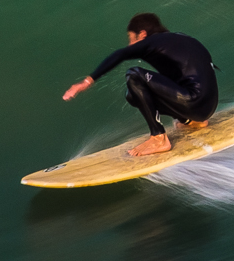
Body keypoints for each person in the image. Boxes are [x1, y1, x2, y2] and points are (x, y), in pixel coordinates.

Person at [62, 13, 219, 156]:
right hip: (207, 107)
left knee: (134, 75)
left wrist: (87, 81)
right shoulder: (182, 40)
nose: (131, 45)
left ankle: (159, 137)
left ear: (142, 34)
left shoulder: (152, 41)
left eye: (132, 39)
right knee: (133, 95)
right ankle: (191, 121)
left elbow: (120, 54)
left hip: (193, 101)